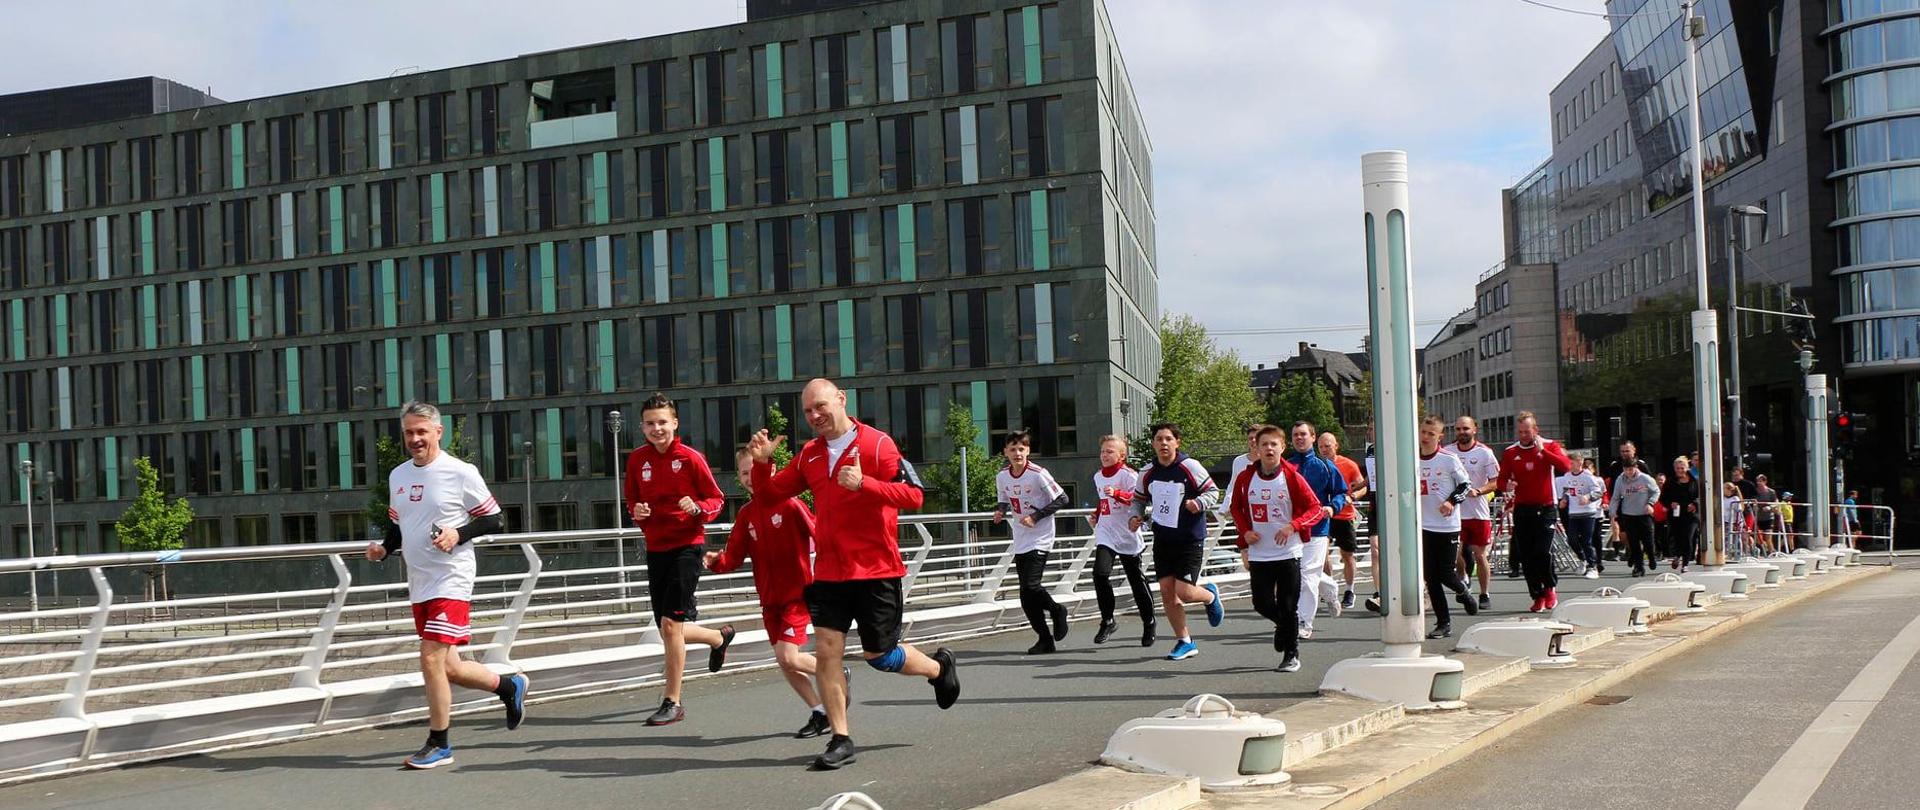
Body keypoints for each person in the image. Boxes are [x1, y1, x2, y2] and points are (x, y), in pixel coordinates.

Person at [745, 379, 957, 770]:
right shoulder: (809, 454)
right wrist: (761, 465)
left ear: (841, 400)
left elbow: (914, 496)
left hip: (876, 569)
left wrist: (865, 484)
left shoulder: (878, 444)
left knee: (878, 655)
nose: (815, 416)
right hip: (828, 572)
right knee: (826, 652)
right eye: (808, 411)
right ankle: (841, 738)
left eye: (821, 406)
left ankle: (938, 668)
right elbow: (768, 496)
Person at [365, 401, 527, 770]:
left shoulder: (460, 471)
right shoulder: (398, 476)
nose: (415, 439)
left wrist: (458, 533)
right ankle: (509, 686)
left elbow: (495, 519)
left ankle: (440, 743)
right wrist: (384, 548)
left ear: (439, 432)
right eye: (409, 432)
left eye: (422, 431)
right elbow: (399, 525)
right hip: (419, 579)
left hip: (451, 578)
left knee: (430, 658)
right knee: (449, 667)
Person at [623, 393, 736, 727]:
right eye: (650, 423)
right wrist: (638, 513)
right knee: (667, 627)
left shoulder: (690, 458)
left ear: (674, 423)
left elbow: (717, 498)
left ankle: (672, 701)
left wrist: (697, 507)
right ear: (642, 427)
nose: (657, 428)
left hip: (688, 546)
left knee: (672, 625)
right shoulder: (636, 461)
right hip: (656, 548)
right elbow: (633, 503)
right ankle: (719, 637)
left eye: (662, 422)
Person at [705, 447, 831, 738]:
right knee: (784, 661)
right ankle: (819, 711)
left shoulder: (791, 505)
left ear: (771, 471)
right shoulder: (747, 515)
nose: (750, 478)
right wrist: (716, 562)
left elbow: (820, 534)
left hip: (797, 596)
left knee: (789, 657)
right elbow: (733, 556)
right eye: (744, 473)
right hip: (769, 601)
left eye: (754, 471)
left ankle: (834, 674)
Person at [1229, 424, 1323, 672]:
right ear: (1256, 448)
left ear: (1282, 447)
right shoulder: (1245, 477)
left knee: (1288, 605)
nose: (1269, 448)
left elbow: (1315, 508)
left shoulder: (1291, 476)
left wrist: (1293, 526)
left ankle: (1291, 655)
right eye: (1264, 444)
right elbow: (1236, 508)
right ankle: (1284, 627)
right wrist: (1245, 532)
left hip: (1288, 551)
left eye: (1274, 444)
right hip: (1260, 551)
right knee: (1261, 603)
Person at [1130, 422, 1225, 661]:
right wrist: (1135, 515)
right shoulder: (1147, 472)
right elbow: (1138, 499)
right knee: (1166, 591)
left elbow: (1213, 492)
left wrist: (1198, 504)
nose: (1163, 443)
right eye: (1159, 439)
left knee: (1185, 592)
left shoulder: (1189, 466)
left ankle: (1210, 595)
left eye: (1168, 439)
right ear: (1153, 444)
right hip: (1163, 537)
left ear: (1177, 442)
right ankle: (1185, 641)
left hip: (1189, 537)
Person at [994, 430, 1072, 654]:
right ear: (1005, 452)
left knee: (1031, 585)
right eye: (1012, 449)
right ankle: (1045, 639)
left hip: (1041, 535)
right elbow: (1004, 498)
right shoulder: (1002, 476)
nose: (1017, 453)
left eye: (1021, 449)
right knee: (1025, 595)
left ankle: (1057, 611)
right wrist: (1000, 511)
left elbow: (1062, 498)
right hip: (1020, 536)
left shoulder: (1038, 474)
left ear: (1028, 450)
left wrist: (1036, 516)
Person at [1494, 411, 1573, 613]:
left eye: (1527, 431)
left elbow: (1565, 466)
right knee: (1526, 555)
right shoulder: (1511, 452)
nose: (1523, 435)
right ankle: (1536, 595)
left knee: (1542, 551)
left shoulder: (1549, 445)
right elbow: (1501, 480)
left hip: (1546, 507)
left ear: (1535, 430)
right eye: (1520, 432)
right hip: (1522, 508)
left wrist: (1543, 451)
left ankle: (1549, 587)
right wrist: (1507, 485)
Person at [1089, 434, 1156, 647]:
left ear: (1121, 455)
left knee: (1136, 581)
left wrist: (1117, 493)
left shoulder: (1129, 475)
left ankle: (1149, 621)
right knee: (1100, 573)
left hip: (1127, 532)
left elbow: (1138, 499)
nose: (1105, 455)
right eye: (1102, 451)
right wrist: (1097, 514)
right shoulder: (1098, 476)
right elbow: (1103, 501)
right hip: (1106, 532)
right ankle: (1108, 620)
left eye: (1110, 451)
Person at [1416, 416, 1480, 638]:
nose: (1425, 438)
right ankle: (1443, 623)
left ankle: (1462, 590)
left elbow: (1465, 485)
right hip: (1422, 525)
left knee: (1445, 573)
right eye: (1423, 432)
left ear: (1439, 437)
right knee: (1430, 577)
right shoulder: (1412, 459)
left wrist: (1451, 502)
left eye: (1430, 434)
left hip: (1446, 526)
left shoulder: (1448, 459)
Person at [1285, 422, 1348, 640]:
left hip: (1317, 529)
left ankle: (1304, 621)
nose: (1299, 438)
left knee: (1306, 575)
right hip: (1291, 529)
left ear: (1313, 437)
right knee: (1299, 573)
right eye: (1295, 435)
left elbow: (1341, 492)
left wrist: (1333, 507)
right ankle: (1330, 589)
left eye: (1303, 434)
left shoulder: (1325, 466)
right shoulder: (1286, 466)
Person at [1442, 416, 1501, 609]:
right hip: (1456, 513)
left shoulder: (1485, 453)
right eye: (1458, 429)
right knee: (1454, 553)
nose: (1461, 432)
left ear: (1474, 429)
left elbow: (1496, 481)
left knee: (1480, 555)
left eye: (1465, 429)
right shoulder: (1448, 452)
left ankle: (1485, 594)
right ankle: (1464, 577)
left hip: (1478, 513)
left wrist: (1479, 491)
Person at [1318, 432, 1367, 612]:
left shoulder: (1348, 464)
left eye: (1327, 446)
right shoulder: (1317, 465)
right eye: (1321, 447)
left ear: (1336, 446)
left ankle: (1349, 590)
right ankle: (1331, 589)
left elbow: (1363, 486)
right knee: (1322, 554)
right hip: (1324, 516)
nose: (1324, 450)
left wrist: (1353, 496)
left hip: (1344, 515)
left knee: (1347, 555)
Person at [1556, 457, 1606, 579]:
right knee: (1571, 539)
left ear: (1580, 463)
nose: (1570, 465)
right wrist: (1564, 499)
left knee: (1586, 541)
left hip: (1588, 513)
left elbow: (1598, 492)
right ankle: (1582, 559)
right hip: (1573, 513)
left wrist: (1588, 497)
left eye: (1572, 463)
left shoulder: (1588, 476)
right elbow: (1568, 490)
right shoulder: (1567, 476)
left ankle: (1592, 566)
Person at [1610, 461, 1661, 576]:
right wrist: (1613, 512)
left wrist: (1650, 503)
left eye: (1631, 469)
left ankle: (1652, 556)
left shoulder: (1645, 478)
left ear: (1635, 468)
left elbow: (1656, 491)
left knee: (1648, 541)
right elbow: (1615, 497)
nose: (1628, 472)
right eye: (1626, 469)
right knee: (1634, 542)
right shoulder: (1620, 480)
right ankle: (1639, 567)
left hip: (1644, 514)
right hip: (1628, 514)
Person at [1660, 456, 1701, 573]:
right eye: (1677, 468)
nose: (1679, 470)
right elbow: (1663, 498)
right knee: (1678, 537)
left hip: (1691, 515)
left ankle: (1685, 564)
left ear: (1687, 468)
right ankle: (1677, 555)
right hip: (1676, 514)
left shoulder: (1694, 481)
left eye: (1682, 468)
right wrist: (1670, 504)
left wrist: (1694, 504)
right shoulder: (1670, 481)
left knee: (1688, 537)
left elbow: (1700, 496)